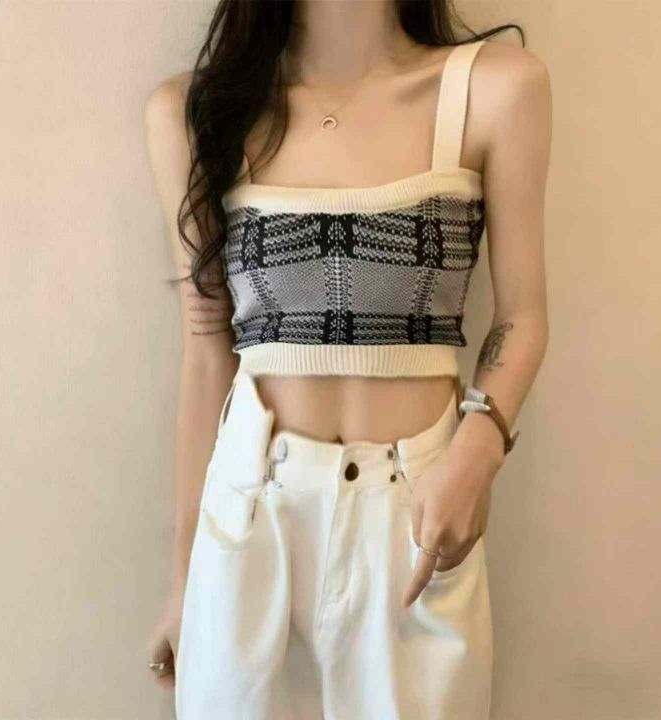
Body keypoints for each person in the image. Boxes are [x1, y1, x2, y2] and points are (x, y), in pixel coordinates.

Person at [143, 1, 551, 717]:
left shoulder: (494, 89)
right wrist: (182, 581)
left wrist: (477, 451)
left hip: (417, 519)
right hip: (250, 518)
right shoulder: (194, 112)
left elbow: (523, 317)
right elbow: (206, 351)